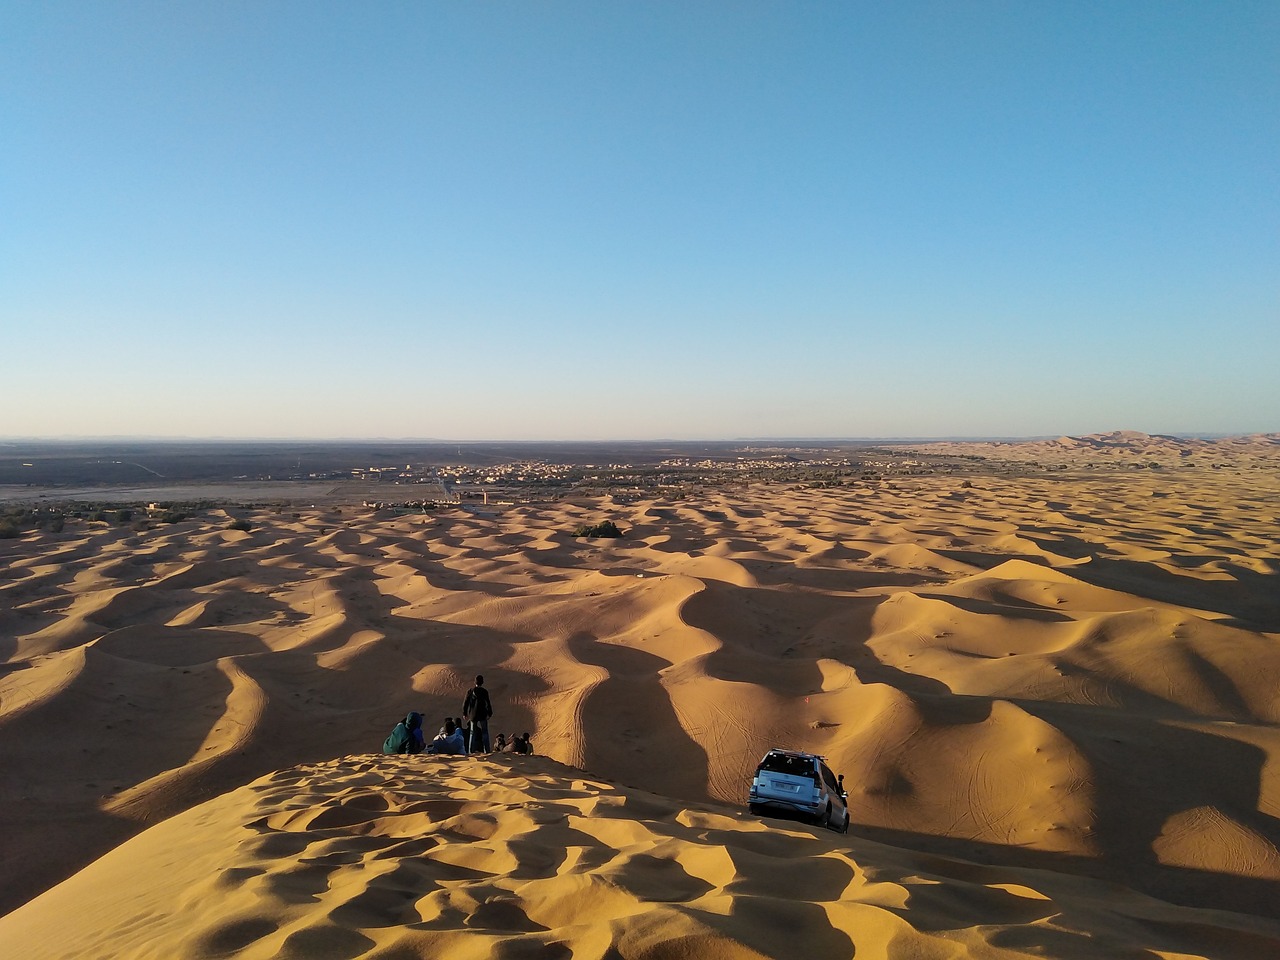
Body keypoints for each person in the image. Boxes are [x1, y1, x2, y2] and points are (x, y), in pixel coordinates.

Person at [462, 675, 493, 753]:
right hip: (483, 714)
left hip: (473, 715)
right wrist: (489, 713)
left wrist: (465, 713)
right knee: (485, 732)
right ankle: (487, 750)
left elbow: (465, 703)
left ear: (475, 682)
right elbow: (488, 703)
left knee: (472, 733)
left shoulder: (470, 691)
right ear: (482, 682)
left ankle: (470, 751)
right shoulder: (484, 691)